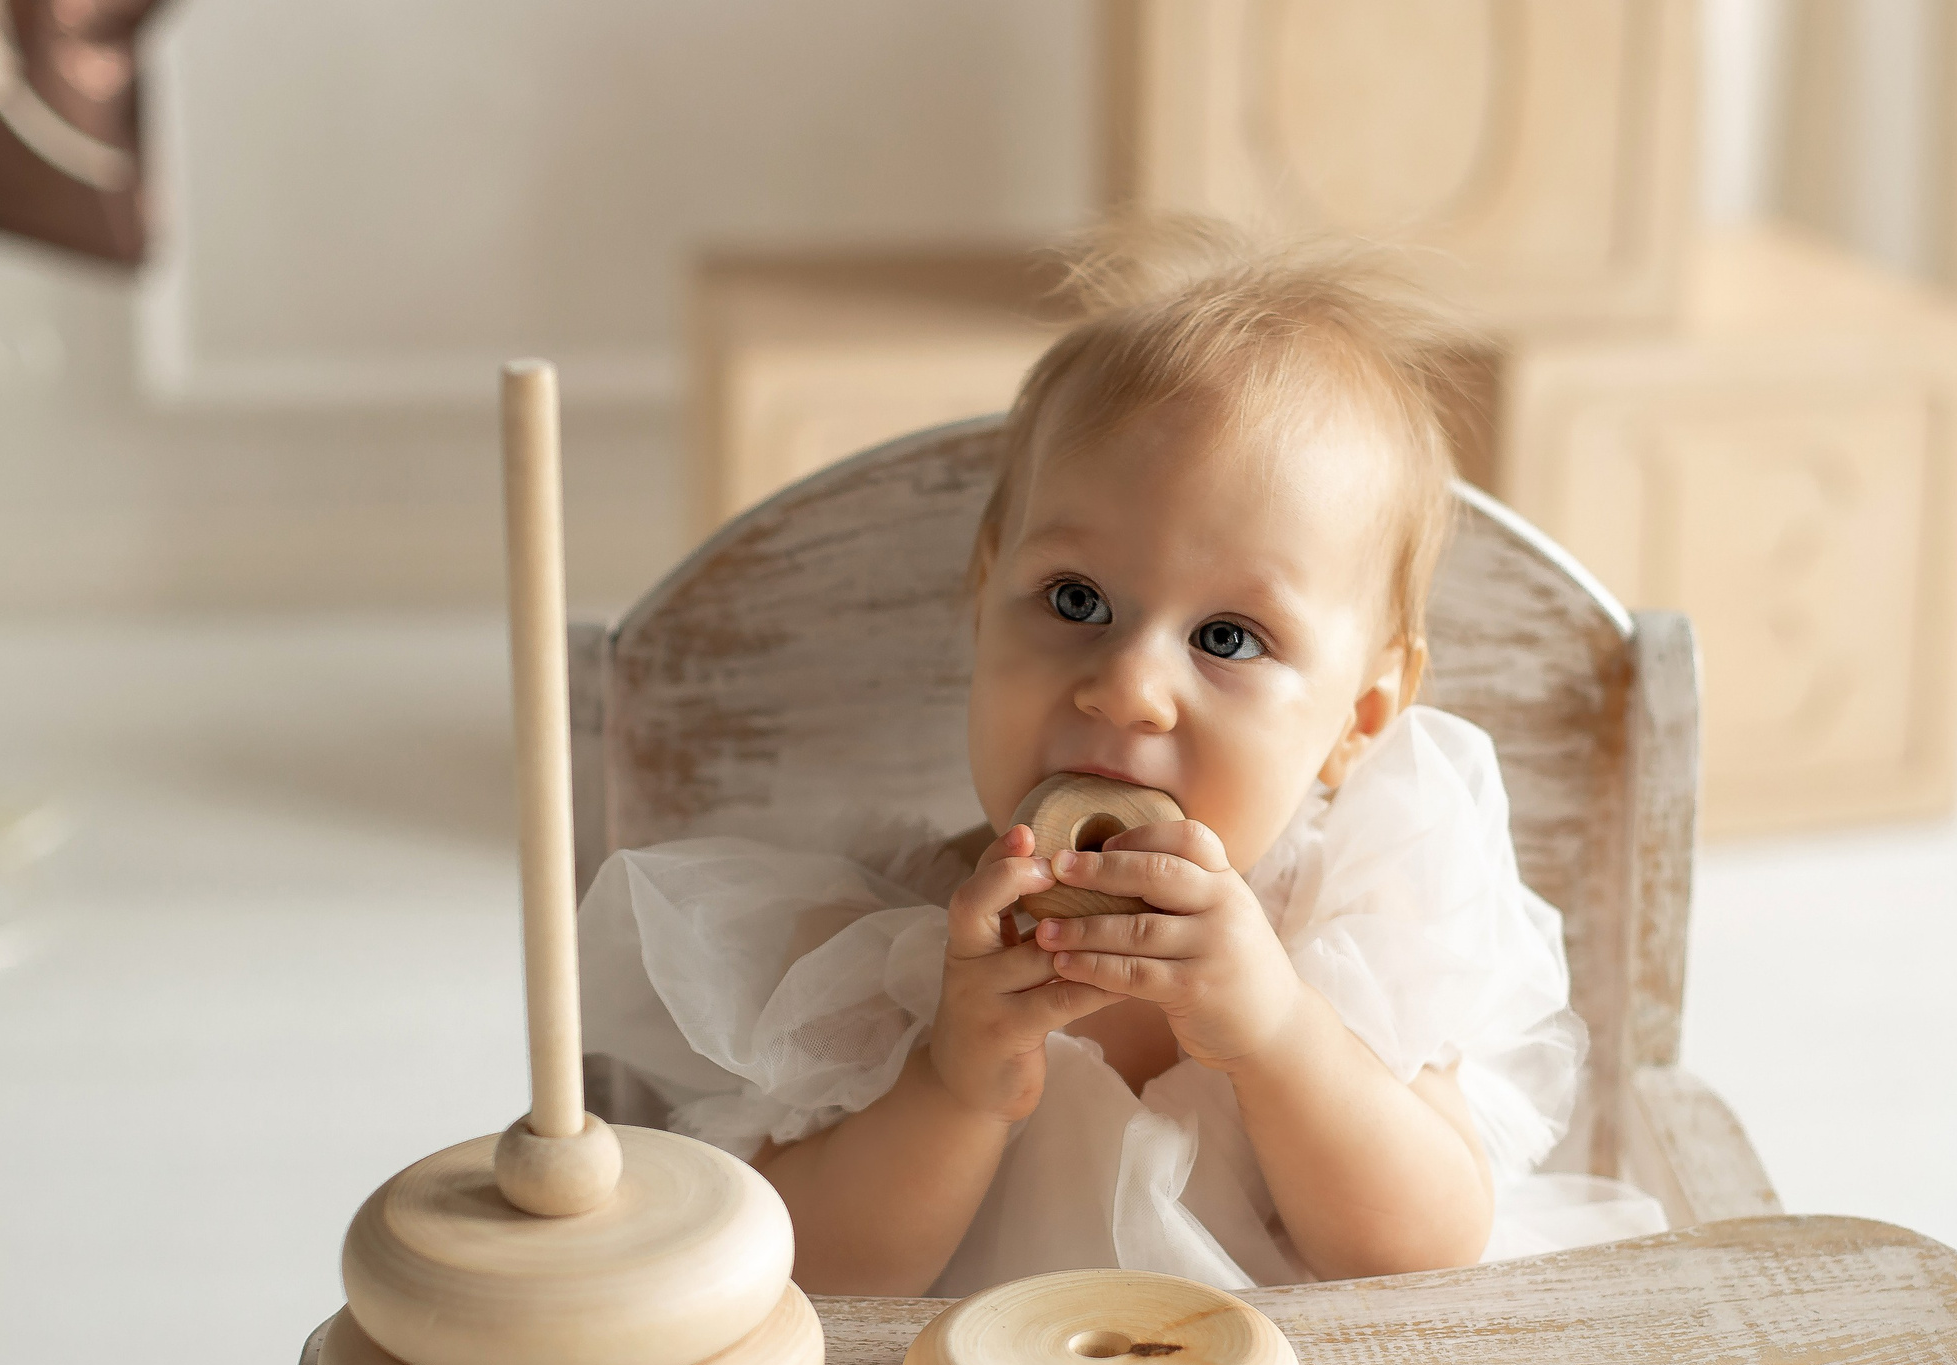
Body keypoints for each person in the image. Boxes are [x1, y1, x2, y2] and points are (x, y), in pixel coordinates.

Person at [578, 222, 1663, 1297]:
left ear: (1359, 717)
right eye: (1076, 601)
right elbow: (805, 1273)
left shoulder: (1349, 930)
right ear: (984, 596)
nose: (1127, 687)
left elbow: (1425, 1253)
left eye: (1227, 638)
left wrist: (1276, 1035)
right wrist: (953, 1088)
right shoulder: (888, 945)